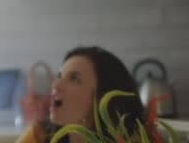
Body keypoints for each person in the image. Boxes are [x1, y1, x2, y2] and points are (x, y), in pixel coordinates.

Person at [16, 46, 145, 143]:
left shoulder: (138, 139)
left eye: (73, 79)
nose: (55, 85)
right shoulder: (37, 137)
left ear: (104, 96)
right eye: (59, 76)